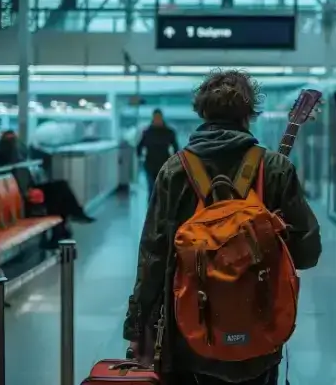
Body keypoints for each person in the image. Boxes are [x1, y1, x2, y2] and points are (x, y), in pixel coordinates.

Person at [123, 69, 322, 384]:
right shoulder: (274, 168)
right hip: (259, 331)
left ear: (202, 111)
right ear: (249, 114)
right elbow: (308, 252)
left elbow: (153, 256)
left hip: (189, 332)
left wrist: (137, 329)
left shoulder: (175, 170)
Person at [0, 131, 94, 244]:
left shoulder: (18, 158)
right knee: (55, 197)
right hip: (19, 198)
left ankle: (66, 224)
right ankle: (65, 225)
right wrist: (27, 192)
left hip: (27, 191)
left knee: (61, 186)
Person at [136, 109, 179, 201]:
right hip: (150, 164)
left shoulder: (169, 132)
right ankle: (153, 210)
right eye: (156, 118)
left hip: (165, 164)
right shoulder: (147, 132)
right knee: (152, 188)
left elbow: (176, 147)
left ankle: (162, 209)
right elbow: (139, 147)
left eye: (158, 118)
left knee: (163, 188)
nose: (157, 120)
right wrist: (139, 159)